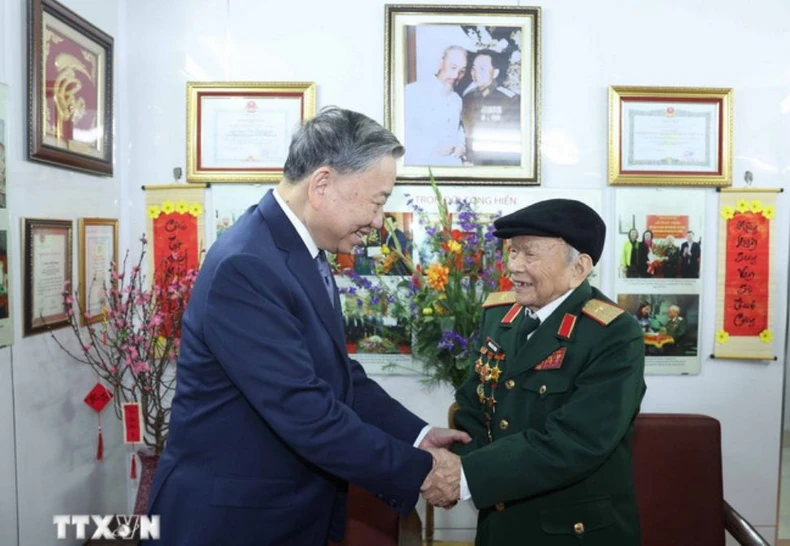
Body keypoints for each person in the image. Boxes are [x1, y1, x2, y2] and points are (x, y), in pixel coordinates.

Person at [145, 107, 469, 546]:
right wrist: (421, 472)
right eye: (377, 202)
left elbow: (336, 373)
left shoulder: (298, 250)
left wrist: (417, 435)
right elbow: (305, 410)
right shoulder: (247, 266)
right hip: (230, 522)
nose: (379, 221)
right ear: (322, 184)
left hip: (281, 513)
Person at [422, 199, 647, 545]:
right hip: (499, 524)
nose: (514, 266)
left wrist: (467, 477)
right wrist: (463, 469)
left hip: (571, 533)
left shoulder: (614, 334)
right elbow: (473, 405)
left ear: (579, 267)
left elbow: (577, 440)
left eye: (530, 254)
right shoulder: (499, 316)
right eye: (513, 251)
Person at [403, 45, 467, 166]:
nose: (455, 76)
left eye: (461, 71)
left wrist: (460, 145)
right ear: (441, 63)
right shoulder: (413, 91)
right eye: (453, 67)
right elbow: (402, 133)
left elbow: (459, 130)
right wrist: (433, 147)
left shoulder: (457, 100)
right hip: (421, 166)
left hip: (451, 166)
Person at [461, 49, 520, 166]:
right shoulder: (467, 98)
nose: (476, 73)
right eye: (474, 68)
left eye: (482, 69)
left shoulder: (509, 100)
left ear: (495, 73)